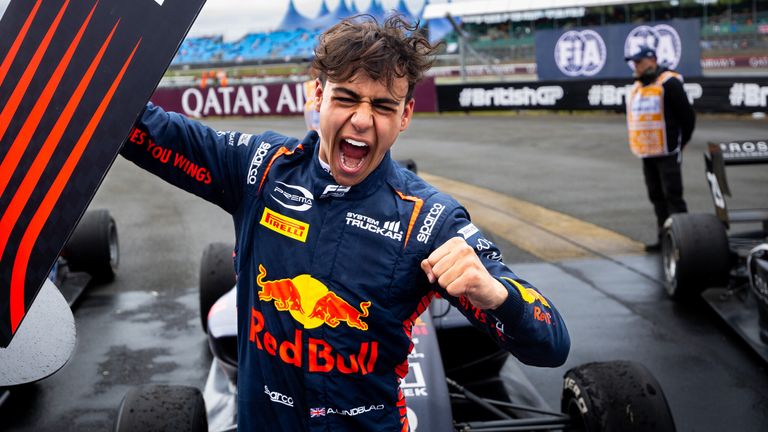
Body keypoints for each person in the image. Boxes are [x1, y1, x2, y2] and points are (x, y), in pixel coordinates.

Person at [120, 15, 569, 431]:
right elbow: (142, 129)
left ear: (405, 116)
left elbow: (549, 344)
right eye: (347, 98)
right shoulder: (260, 166)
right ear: (318, 95)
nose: (361, 120)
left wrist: (497, 295)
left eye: (383, 106)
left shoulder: (430, 218)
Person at [625, 46, 696, 252]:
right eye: (634, 62)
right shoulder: (638, 86)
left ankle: (685, 241)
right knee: (656, 196)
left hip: (668, 152)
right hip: (647, 153)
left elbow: (687, 117)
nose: (636, 66)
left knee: (673, 196)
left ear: (652, 60)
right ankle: (664, 239)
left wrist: (681, 143)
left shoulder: (669, 82)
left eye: (639, 62)